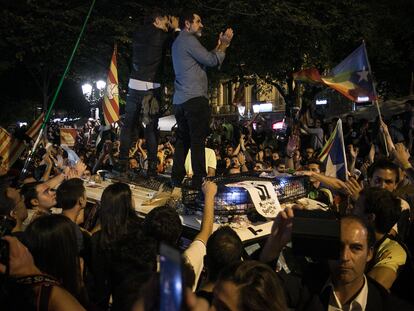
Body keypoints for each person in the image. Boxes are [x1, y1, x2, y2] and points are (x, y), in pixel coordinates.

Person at [260, 210, 412, 310]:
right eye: (338, 247)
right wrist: (273, 246)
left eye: (356, 248)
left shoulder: (392, 307)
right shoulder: (306, 287)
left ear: (370, 254)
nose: (345, 257)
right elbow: (258, 288)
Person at [171, 10, 233, 190]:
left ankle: (176, 178)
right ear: (187, 24)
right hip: (195, 99)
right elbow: (211, 60)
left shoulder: (178, 43)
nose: (202, 25)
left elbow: (204, 59)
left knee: (184, 140)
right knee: (198, 140)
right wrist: (224, 45)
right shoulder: (189, 40)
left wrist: (219, 47)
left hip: (180, 101)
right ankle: (199, 180)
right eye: (198, 21)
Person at [118, 9, 179, 177]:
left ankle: (122, 163)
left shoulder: (138, 33)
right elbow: (178, 42)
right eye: (166, 21)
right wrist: (176, 28)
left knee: (128, 126)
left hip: (133, 84)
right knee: (151, 128)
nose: (167, 25)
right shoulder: (162, 36)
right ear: (157, 20)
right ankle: (152, 167)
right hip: (151, 88)